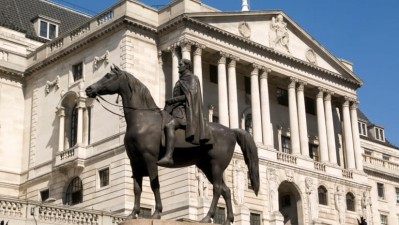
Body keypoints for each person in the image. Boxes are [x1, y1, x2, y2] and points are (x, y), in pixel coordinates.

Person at [158, 59, 211, 166]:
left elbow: (190, 96)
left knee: (169, 126)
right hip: (176, 111)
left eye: (180, 65)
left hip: (185, 113)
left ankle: (168, 156)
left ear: (187, 66)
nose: (178, 67)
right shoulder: (181, 80)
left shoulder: (192, 78)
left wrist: (172, 100)